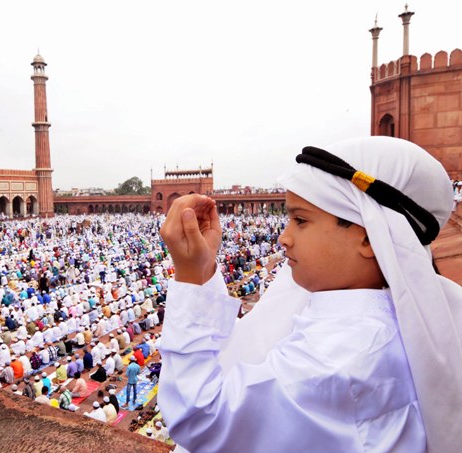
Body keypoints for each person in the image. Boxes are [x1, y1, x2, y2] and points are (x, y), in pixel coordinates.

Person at [157, 137, 462, 452]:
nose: (284, 238)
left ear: (370, 237)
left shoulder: (344, 356)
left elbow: (201, 417)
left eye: (300, 220)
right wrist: (205, 270)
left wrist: (191, 277)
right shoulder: (385, 323)